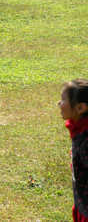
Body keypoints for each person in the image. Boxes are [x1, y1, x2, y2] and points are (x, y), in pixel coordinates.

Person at [59, 79, 88, 222]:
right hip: (82, 204)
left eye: (63, 99)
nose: (59, 103)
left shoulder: (86, 140)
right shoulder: (79, 130)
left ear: (80, 108)